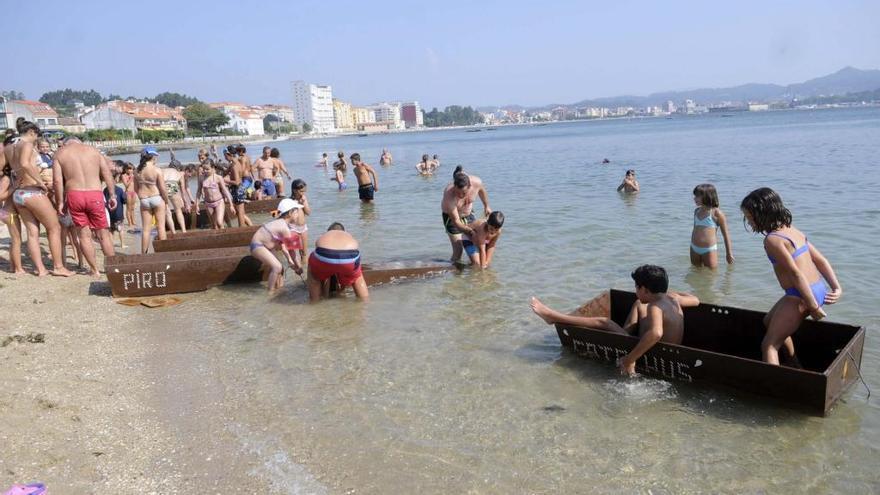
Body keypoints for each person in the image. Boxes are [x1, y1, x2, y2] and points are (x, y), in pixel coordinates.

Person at [530, 265, 700, 376]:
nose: (635, 290)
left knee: (606, 323)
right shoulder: (673, 299)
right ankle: (624, 334)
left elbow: (656, 333)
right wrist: (669, 293)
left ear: (646, 290)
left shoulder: (655, 307)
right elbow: (695, 299)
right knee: (638, 304)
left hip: (657, 351)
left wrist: (630, 359)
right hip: (670, 346)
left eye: (636, 287)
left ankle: (553, 317)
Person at [740, 187, 842, 366]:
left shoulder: (772, 240)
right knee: (769, 321)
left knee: (769, 345)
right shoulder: (792, 230)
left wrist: (812, 305)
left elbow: (795, 273)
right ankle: (795, 366)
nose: (748, 222)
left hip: (800, 295)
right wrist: (836, 287)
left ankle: (775, 387)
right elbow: (820, 260)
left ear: (762, 214)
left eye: (749, 217)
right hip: (814, 288)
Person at [11, 122, 73, 276]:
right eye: (37, 135)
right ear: (32, 132)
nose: (36, 139)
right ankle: (58, 267)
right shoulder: (26, 144)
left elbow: (16, 167)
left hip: (19, 194)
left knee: (32, 232)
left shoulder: (14, 145)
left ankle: (40, 269)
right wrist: (40, 182)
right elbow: (25, 164)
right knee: (54, 228)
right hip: (33, 192)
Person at [53, 136, 119, 276]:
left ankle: (94, 270)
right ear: (79, 142)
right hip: (94, 193)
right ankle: (113, 268)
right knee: (103, 235)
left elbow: (57, 181)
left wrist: (60, 202)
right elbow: (107, 173)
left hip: (74, 195)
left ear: (65, 144)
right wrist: (112, 195)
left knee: (84, 236)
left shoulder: (61, 153)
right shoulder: (93, 151)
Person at [249, 198, 305, 292]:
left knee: (281, 268)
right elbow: (292, 251)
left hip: (266, 246)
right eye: (296, 212)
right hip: (258, 246)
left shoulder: (282, 224)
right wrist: (299, 267)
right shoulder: (284, 228)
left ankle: (279, 289)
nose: (298, 215)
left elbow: (283, 246)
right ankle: (270, 292)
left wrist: (290, 261)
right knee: (277, 267)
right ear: (290, 213)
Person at [440, 165, 491, 262]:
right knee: (458, 250)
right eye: (457, 192)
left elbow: (482, 191)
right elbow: (456, 222)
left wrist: (486, 206)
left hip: (468, 215)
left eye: (463, 193)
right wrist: (471, 232)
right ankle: (453, 273)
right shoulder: (449, 195)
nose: (460, 196)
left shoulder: (477, 182)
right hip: (452, 220)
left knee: (476, 249)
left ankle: (473, 273)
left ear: (470, 187)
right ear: (454, 186)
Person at [307, 222, 368, 302]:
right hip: (349, 257)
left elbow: (318, 252)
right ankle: (364, 301)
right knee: (357, 278)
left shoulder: (325, 236)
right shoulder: (347, 235)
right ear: (344, 231)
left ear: (328, 231)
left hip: (325, 256)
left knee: (314, 273)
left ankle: (315, 301)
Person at [134, 147, 169, 254]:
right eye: (156, 156)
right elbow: (163, 189)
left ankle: (144, 254)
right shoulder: (157, 170)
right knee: (161, 227)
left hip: (144, 199)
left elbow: (136, 188)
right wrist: (166, 201)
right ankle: (163, 253)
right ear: (152, 156)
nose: (157, 158)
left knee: (146, 230)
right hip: (156, 197)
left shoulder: (137, 171)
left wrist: (141, 198)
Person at [689, 183, 734, 268]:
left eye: (697, 196)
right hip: (694, 248)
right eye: (695, 196)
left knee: (710, 276)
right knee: (695, 272)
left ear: (707, 197)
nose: (694, 198)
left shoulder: (716, 213)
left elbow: (726, 235)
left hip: (709, 250)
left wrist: (729, 253)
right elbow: (694, 229)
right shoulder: (697, 211)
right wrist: (692, 244)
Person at [0, 157, 24, 274]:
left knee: (15, 240)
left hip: (7, 212)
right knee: (16, 240)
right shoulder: (7, 179)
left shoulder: (9, 177)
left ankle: (12, 266)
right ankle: (18, 269)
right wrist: (14, 188)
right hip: (8, 213)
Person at [197, 160, 234, 229]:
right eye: (204, 169)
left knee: (219, 222)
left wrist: (231, 204)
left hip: (219, 202)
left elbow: (225, 190)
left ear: (213, 168)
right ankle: (217, 239)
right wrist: (197, 205)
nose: (205, 171)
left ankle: (224, 237)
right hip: (208, 203)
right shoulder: (201, 178)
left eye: (207, 169)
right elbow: (198, 191)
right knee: (214, 225)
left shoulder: (218, 177)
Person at [224, 147, 252, 227]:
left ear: (229, 154)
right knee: (240, 212)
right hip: (238, 189)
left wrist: (225, 181)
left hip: (238, 189)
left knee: (240, 212)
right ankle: (248, 227)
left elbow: (237, 182)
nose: (224, 157)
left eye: (225, 155)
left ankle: (242, 229)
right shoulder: (235, 163)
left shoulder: (235, 166)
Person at [162, 164, 189, 234]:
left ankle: (173, 232)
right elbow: (183, 191)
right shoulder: (180, 173)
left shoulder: (164, 170)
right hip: (172, 184)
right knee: (178, 210)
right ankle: (184, 231)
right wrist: (186, 203)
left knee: (167, 212)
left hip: (162, 186)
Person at [104, 171, 127, 250]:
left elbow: (104, 201)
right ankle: (122, 244)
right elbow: (124, 200)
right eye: (117, 178)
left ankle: (111, 244)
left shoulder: (105, 190)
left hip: (109, 214)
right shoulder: (120, 190)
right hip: (118, 214)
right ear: (115, 180)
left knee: (111, 231)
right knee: (120, 230)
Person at [289, 179, 311, 260]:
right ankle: (297, 269)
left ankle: (304, 270)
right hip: (292, 228)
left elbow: (308, 213)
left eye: (304, 191)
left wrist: (304, 203)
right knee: (293, 254)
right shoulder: (289, 201)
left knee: (304, 253)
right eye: (301, 191)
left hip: (303, 228)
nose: (303, 193)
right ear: (294, 190)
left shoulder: (303, 199)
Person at [121, 163, 138, 227]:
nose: (130, 170)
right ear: (125, 169)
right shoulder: (124, 175)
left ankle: (133, 221)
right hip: (128, 193)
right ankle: (129, 222)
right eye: (128, 169)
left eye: (131, 169)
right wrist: (131, 178)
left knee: (133, 208)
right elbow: (126, 185)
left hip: (134, 192)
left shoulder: (133, 175)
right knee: (128, 208)